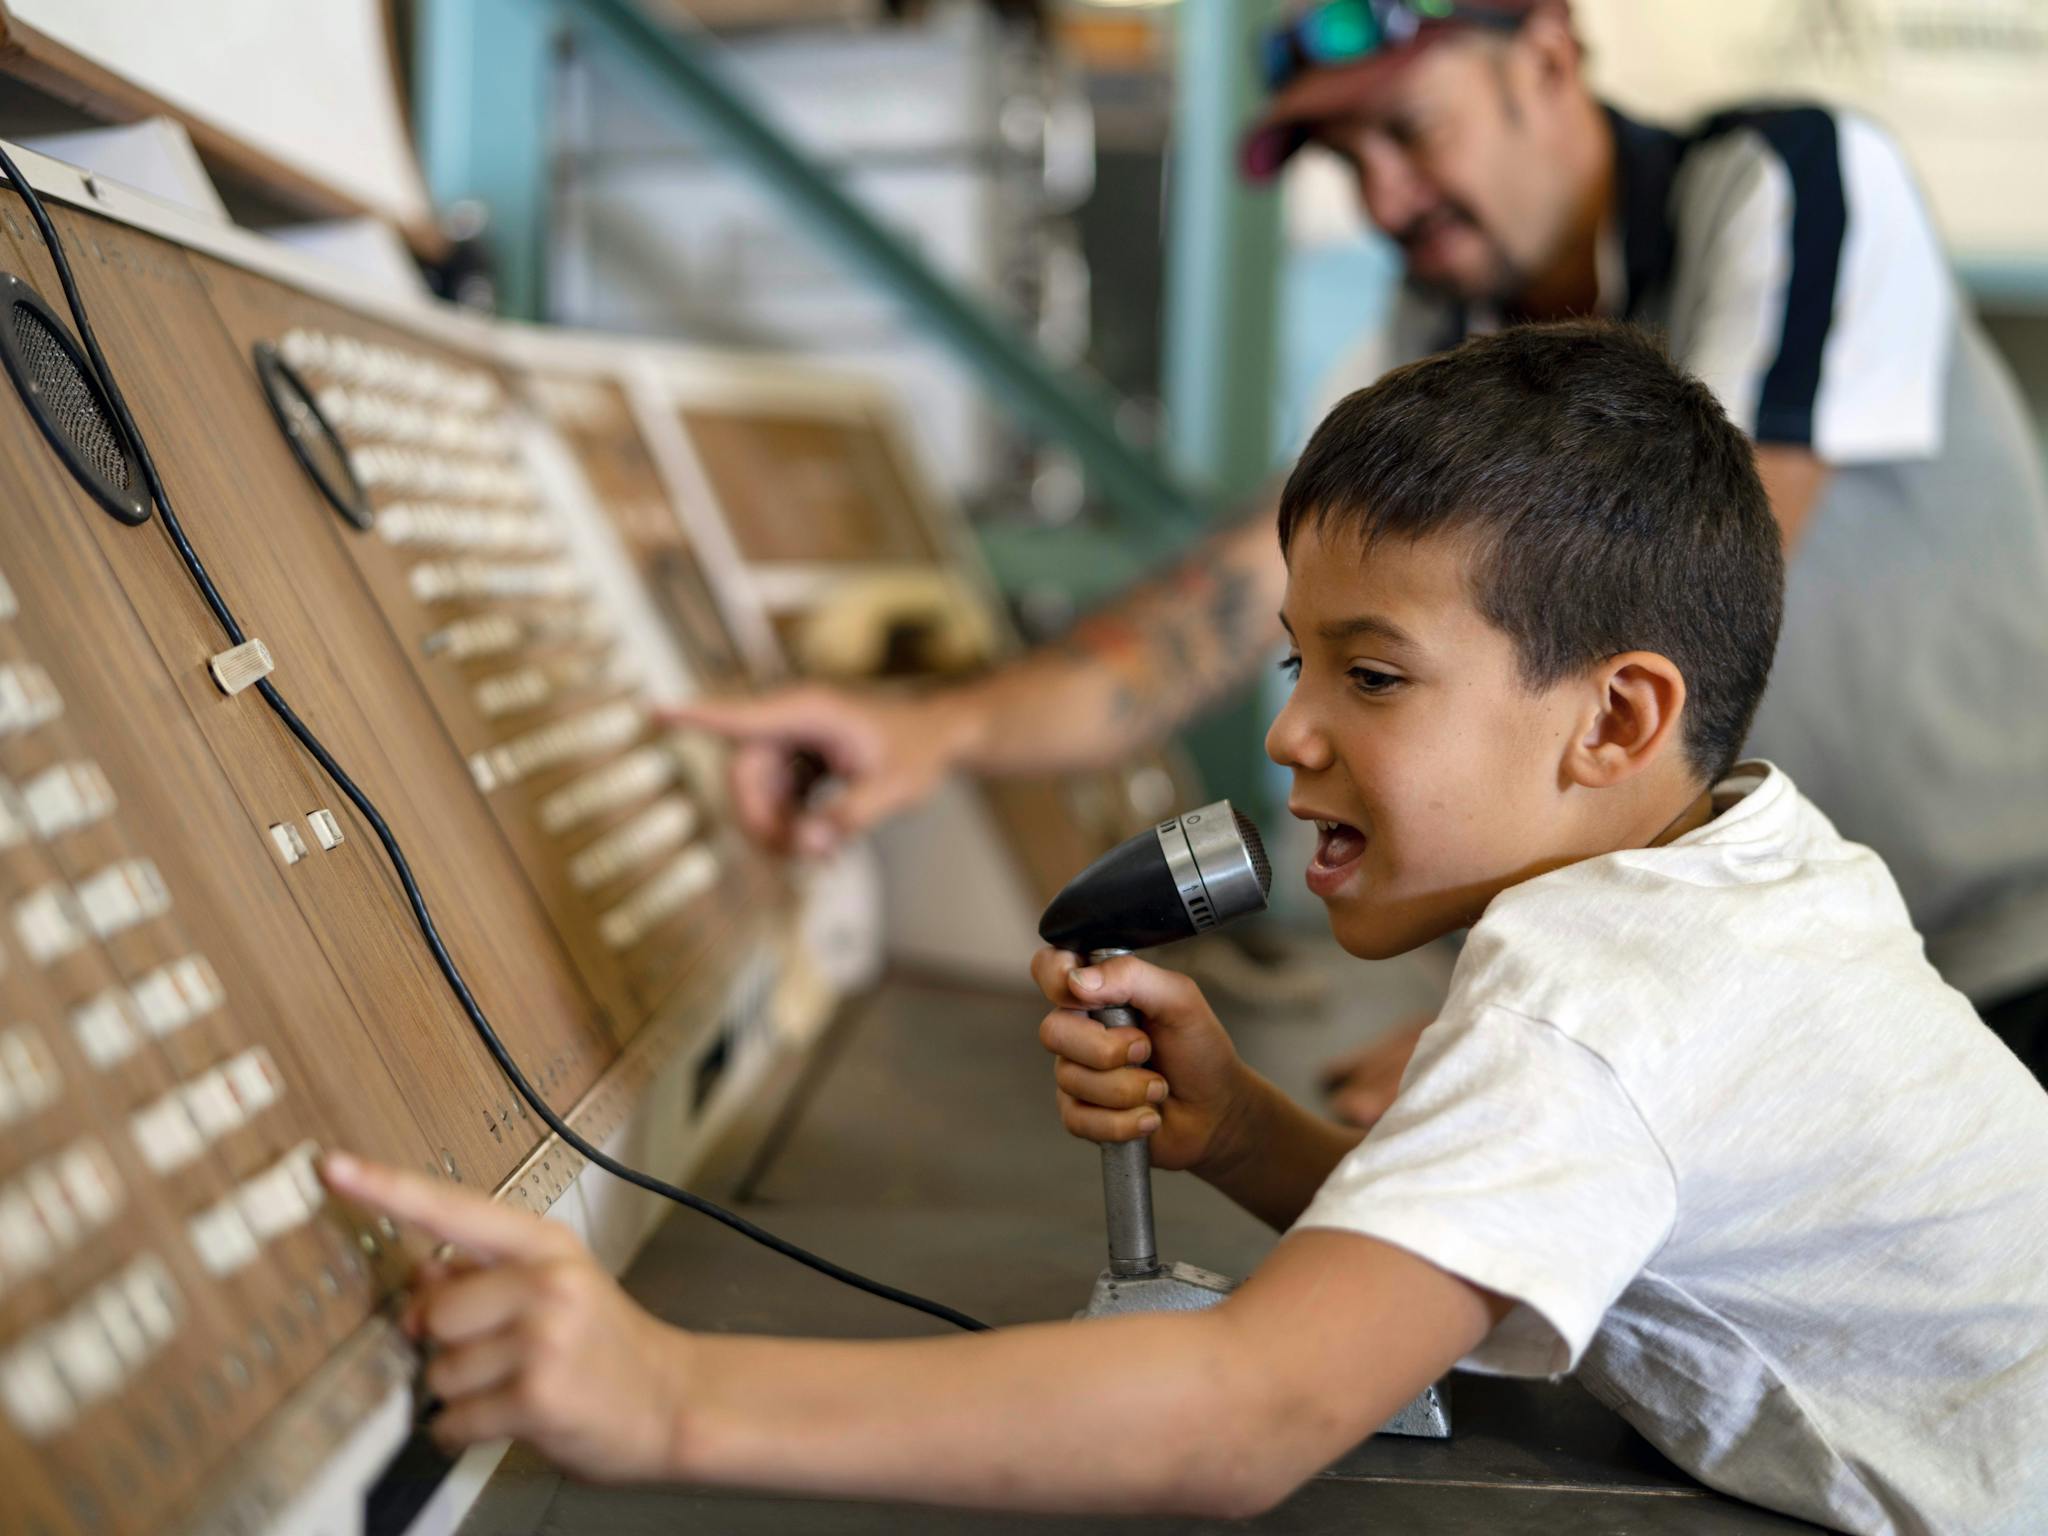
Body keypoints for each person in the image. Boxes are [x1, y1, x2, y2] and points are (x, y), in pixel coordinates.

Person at [326, 326, 2048, 1533]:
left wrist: (663, 1397)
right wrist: (1240, 1133)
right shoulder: (1752, 864)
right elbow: (1484, 1254)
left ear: (1613, 721)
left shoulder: (1598, 989)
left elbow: (1247, 1417)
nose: (1292, 734)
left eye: (1372, 676)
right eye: (1300, 663)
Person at [672, 0, 2048, 1092]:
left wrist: (1531, 1038)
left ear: (1548, 55)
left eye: (1406, 127)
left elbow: (1699, 622)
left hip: (2001, 948)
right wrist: (935, 733)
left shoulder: (1789, 183)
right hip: (1772, 1002)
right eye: (1346, 161)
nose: (1385, 200)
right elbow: (1230, 601)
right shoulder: (1452, 335)